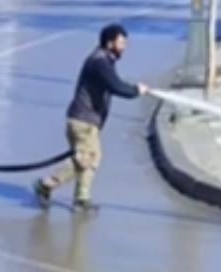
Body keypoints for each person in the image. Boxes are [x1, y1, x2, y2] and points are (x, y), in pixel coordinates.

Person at [34, 23, 147, 212]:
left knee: (90, 158)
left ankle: (81, 199)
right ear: (110, 43)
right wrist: (136, 90)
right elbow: (116, 86)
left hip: (85, 120)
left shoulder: (104, 60)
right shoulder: (100, 62)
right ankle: (46, 184)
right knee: (87, 158)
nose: (124, 47)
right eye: (121, 43)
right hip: (83, 121)